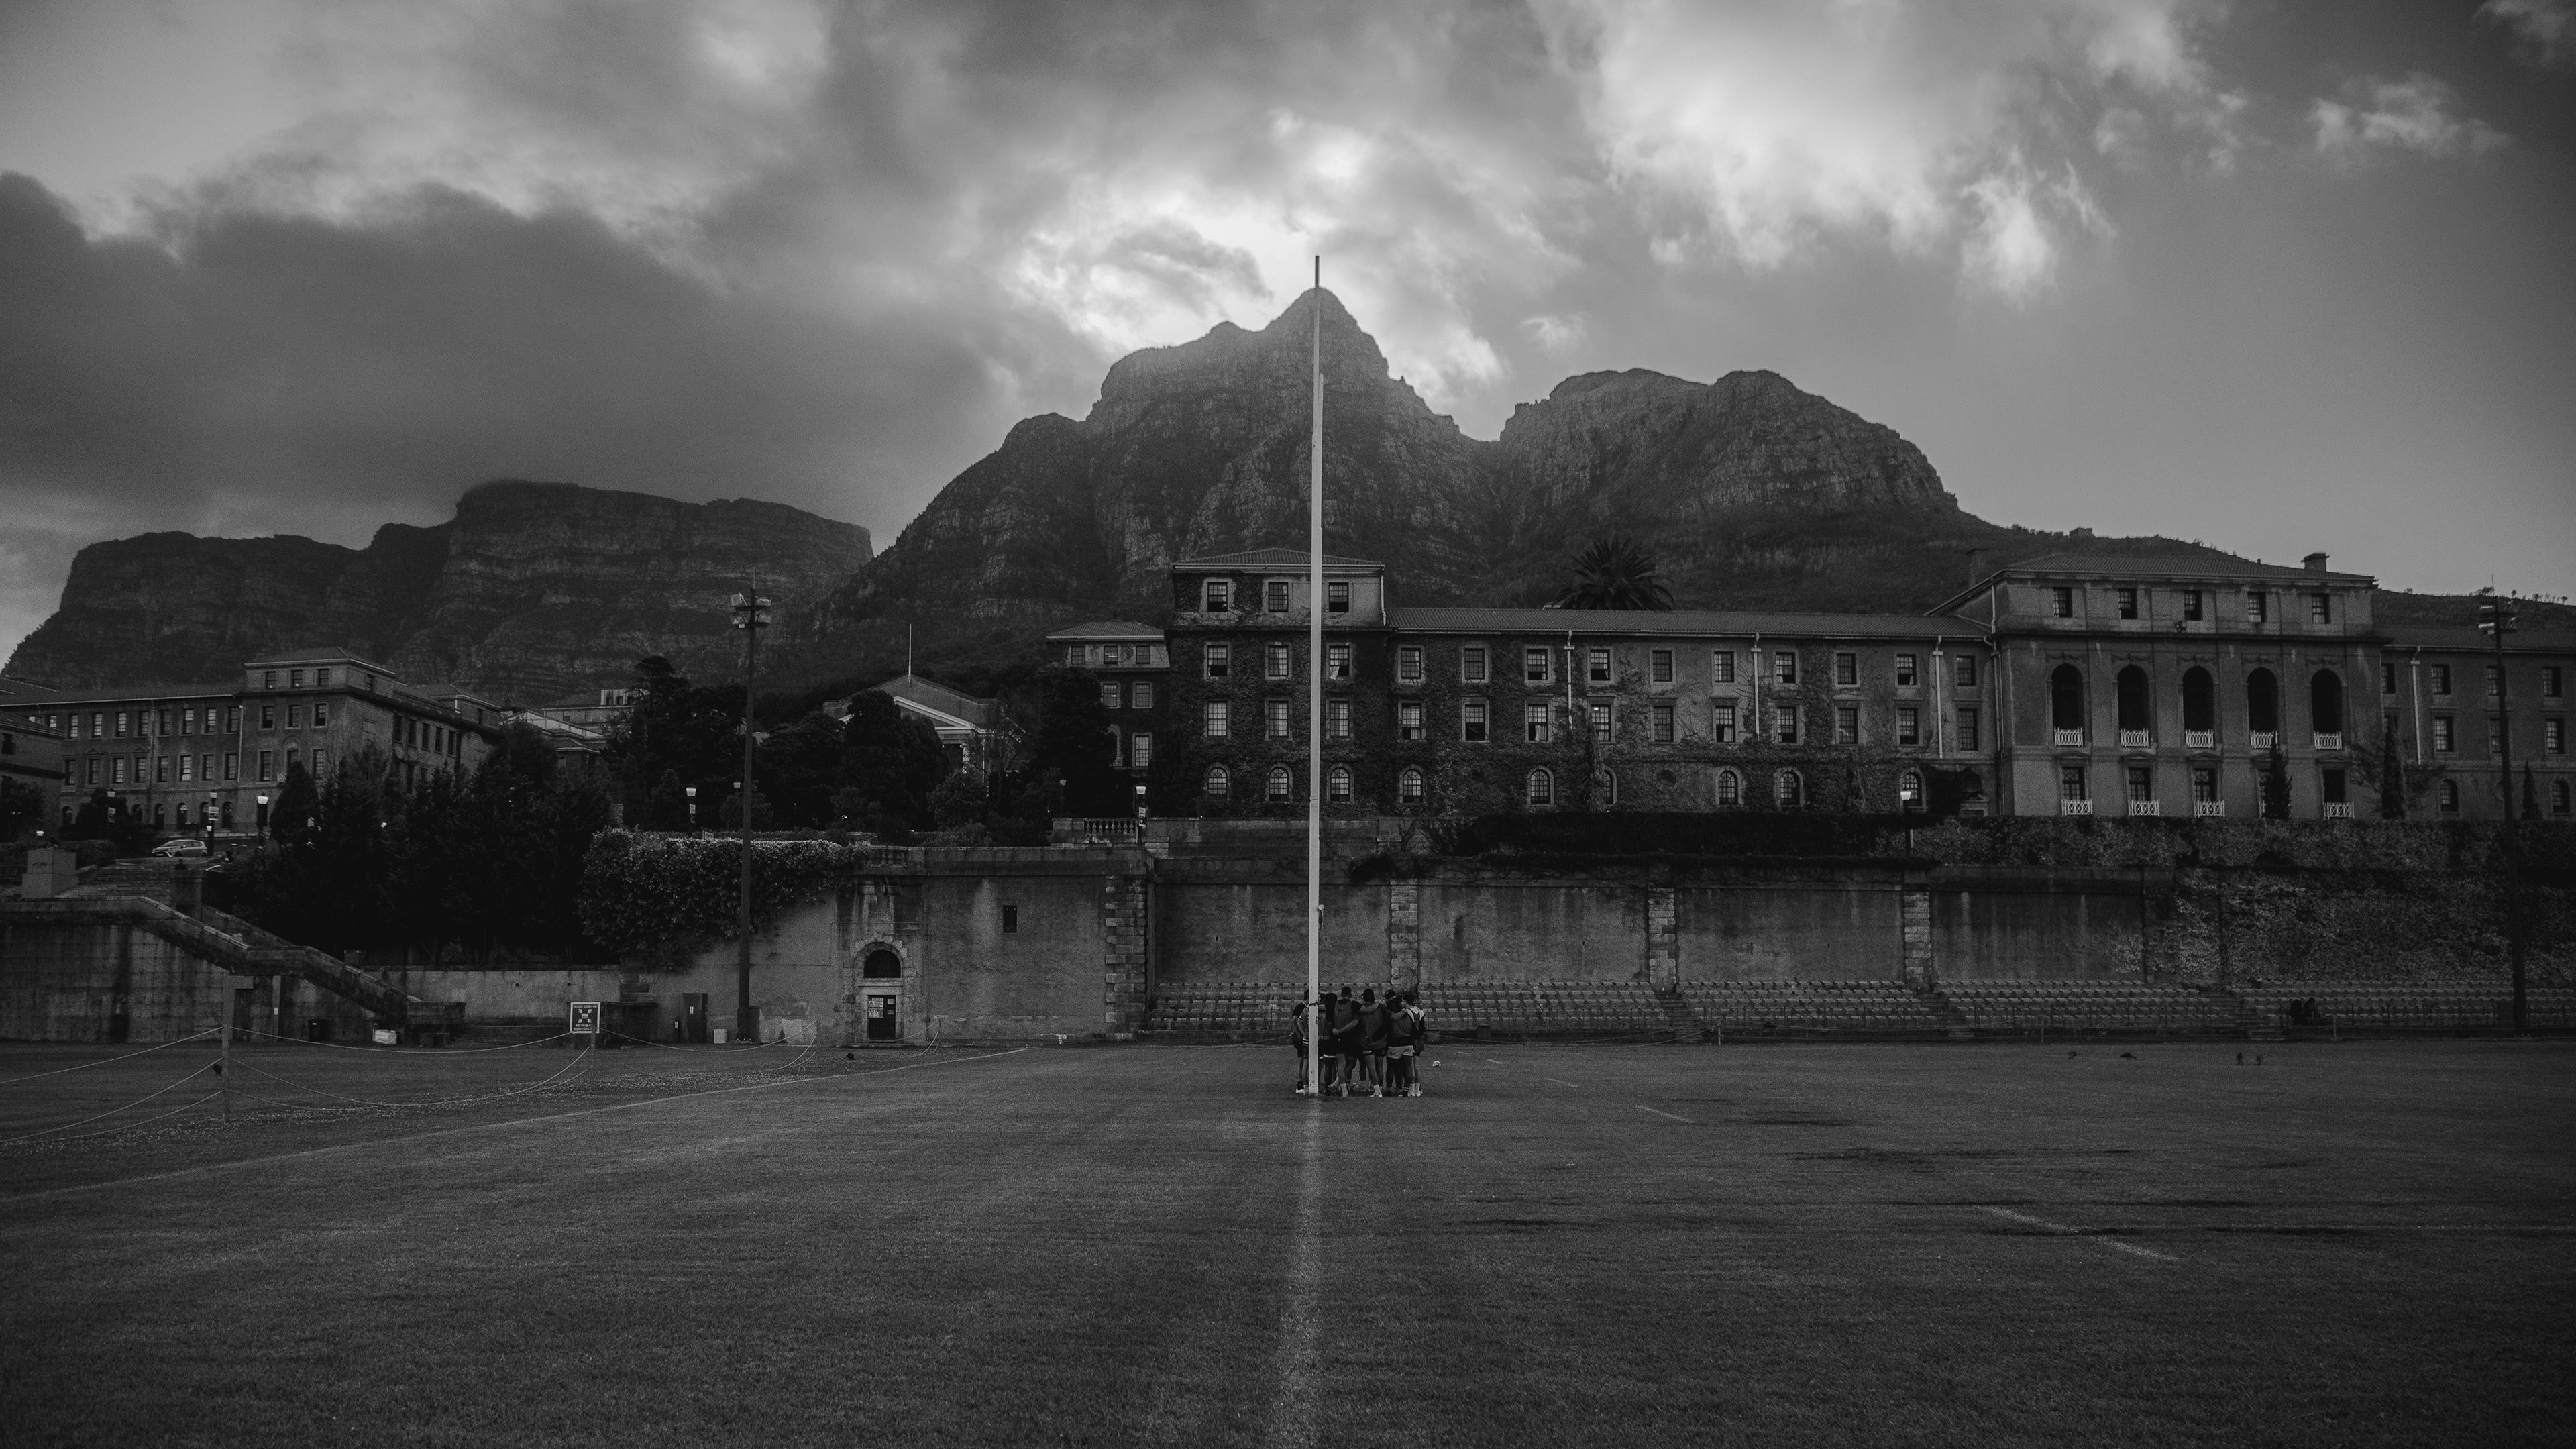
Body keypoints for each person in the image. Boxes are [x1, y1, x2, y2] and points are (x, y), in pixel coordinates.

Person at [1387, 990, 1424, 1097]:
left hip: (1402, 1041)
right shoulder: (1418, 1012)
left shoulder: (1404, 1013)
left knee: (1398, 1067)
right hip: (1414, 1041)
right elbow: (1420, 1029)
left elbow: (1392, 1024)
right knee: (1413, 1066)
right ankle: (1415, 1090)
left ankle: (1402, 1089)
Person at [1329, 985, 1364, 1097]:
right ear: (1351, 995)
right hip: (1350, 1038)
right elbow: (1354, 1023)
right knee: (1352, 1062)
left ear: (1341, 994)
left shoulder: (1333, 1005)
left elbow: (1321, 1007)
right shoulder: (1354, 1005)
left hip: (1337, 1039)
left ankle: (1342, 1089)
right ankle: (1338, 1085)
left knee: (1341, 1064)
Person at [1356, 987, 1391, 1098]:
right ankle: (1380, 1089)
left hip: (1367, 1043)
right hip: (1381, 1042)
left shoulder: (1361, 1009)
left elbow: (1358, 1025)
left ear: (1363, 997)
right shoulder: (1381, 1007)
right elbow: (1388, 1020)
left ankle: (1376, 1091)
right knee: (1379, 1066)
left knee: (1371, 1067)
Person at [1289, 995, 1313, 1095]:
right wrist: (1300, 1035)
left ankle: (1307, 1082)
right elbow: (1295, 1020)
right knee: (1302, 1060)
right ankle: (1300, 1084)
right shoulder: (1301, 1007)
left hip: (1302, 1037)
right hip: (1300, 1038)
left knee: (1304, 1060)